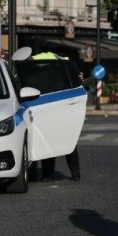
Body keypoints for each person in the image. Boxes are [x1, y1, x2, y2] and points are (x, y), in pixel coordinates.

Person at [30, 50, 81, 182]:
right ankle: (75, 173)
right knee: (69, 141)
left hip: (44, 106)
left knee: (47, 140)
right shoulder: (64, 65)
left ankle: (48, 174)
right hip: (64, 107)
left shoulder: (35, 65)